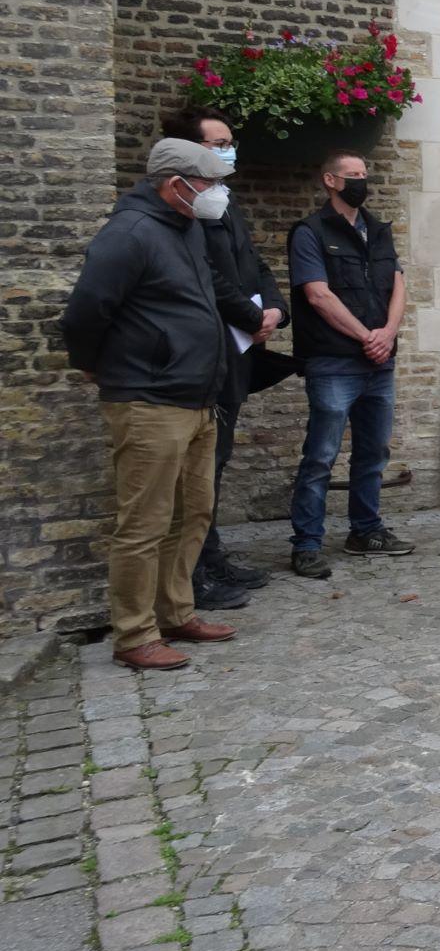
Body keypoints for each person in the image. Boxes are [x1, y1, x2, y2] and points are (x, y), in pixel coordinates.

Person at [61, 139, 239, 670]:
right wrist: (95, 365)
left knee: (192, 512)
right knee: (144, 522)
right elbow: (86, 311)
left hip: (197, 397)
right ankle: (134, 635)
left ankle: (175, 610)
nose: (217, 194)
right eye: (209, 184)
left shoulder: (185, 230)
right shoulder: (131, 233)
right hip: (150, 398)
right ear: (175, 183)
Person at [161, 107, 287, 609]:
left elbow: (253, 263)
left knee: (218, 456)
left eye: (230, 142)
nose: (228, 151)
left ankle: (211, 557)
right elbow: (210, 277)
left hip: (237, 351)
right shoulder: (186, 210)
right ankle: (193, 574)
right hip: (211, 347)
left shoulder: (222, 202)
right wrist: (250, 317)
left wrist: (275, 307)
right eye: (218, 144)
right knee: (199, 467)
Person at [287, 151, 412, 578]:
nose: (361, 181)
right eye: (351, 175)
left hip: (379, 363)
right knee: (321, 456)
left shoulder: (378, 230)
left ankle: (365, 529)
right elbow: (318, 295)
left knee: (372, 452)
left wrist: (388, 333)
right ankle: (306, 543)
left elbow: (398, 284)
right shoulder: (310, 232)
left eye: (364, 174)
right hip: (334, 361)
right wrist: (366, 336)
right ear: (330, 180)